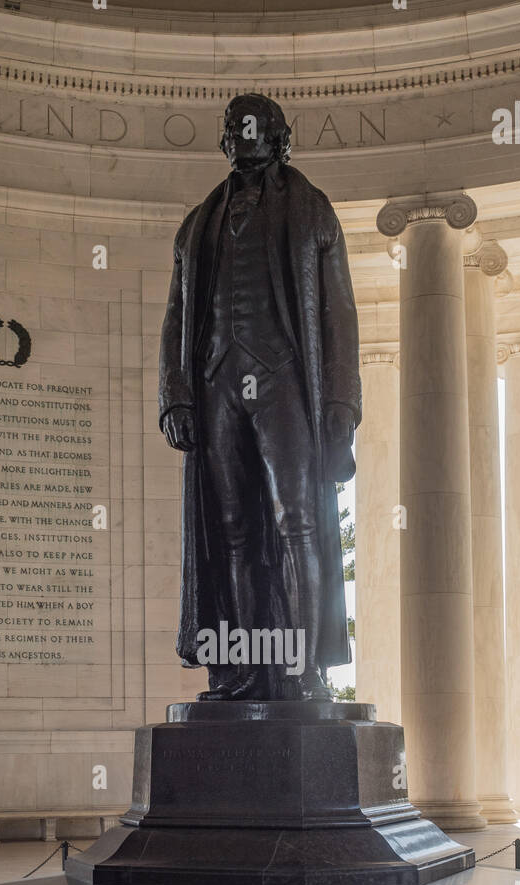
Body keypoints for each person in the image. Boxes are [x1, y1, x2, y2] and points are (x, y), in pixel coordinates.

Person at [158, 92, 361, 700]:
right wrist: (175, 393)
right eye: (233, 128)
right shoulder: (198, 223)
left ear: (278, 136)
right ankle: (246, 666)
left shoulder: (311, 209)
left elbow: (340, 315)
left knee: (297, 520)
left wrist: (342, 403)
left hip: (285, 382)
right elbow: (175, 319)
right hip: (218, 381)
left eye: (255, 126)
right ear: (225, 139)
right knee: (236, 531)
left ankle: (302, 668)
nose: (242, 135)